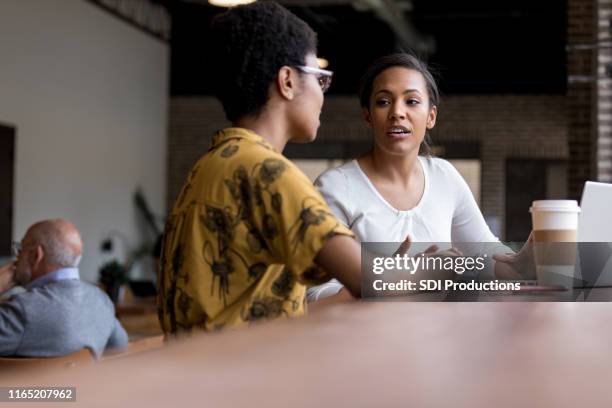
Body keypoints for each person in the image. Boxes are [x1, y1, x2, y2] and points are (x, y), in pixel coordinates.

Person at [157, 1, 365, 335]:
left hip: (200, 377)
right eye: (320, 79)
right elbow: (369, 279)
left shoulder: (210, 167)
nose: (323, 95)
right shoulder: (266, 171)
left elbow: (259, 302)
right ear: (287, 81)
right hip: (244, 378)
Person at [309, 53, 526, 301]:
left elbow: (485, 255)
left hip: (438, 335)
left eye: (411, 101)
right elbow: (315, 298)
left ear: (431, 116)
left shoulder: (445, 176)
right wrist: (392, 280)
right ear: (368, 116)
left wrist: (521, 264)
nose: (397, 112)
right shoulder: (335, 187)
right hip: (367, 337)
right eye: (383, 102)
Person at [0, 219, 128, 358]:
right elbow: (120, 347)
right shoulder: (101, 300)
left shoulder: (23, 310)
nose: (16, 259)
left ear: (36, 255)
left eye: (20, 250)